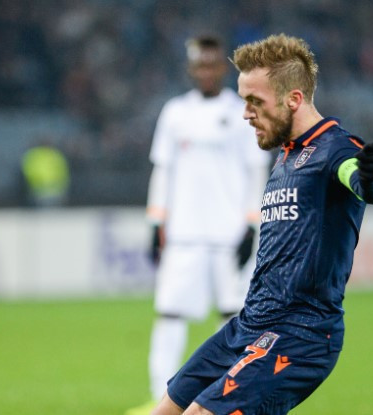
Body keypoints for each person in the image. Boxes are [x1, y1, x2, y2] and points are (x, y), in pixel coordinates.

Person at [151, 34, 373, 415]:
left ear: (293, 99)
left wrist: (370, 177)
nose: (245, 113)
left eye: (255, 101)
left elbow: (365, 182)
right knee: (165, 410)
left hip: (300, 335)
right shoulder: (286, 155)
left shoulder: (335, 149)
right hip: (250, 324)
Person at [126, 36, 270, 415]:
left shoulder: (242, 112)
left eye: (212, 64)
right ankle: (160, 400)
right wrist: (156, 221)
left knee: (234, 319)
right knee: (170, 314)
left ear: (222, 68)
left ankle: (225, 399)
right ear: (191, 69)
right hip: (184, 236)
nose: (206, 72)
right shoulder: (175, 113)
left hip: (229, 236)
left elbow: (256, 171)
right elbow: (163, 170)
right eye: (199, 65)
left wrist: (251, 225)